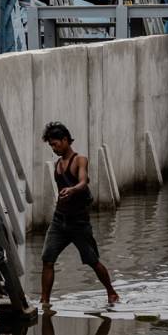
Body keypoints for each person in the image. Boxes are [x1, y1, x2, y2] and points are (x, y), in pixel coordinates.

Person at [39, 121, 119, 308]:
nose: (53, 148)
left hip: (79, 223)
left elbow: (83, 181)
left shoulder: (80, 160)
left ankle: (111, 292)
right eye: (51, 145)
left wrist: (73, 190)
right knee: (47, 259)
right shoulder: (57, 165)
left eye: (55, 144)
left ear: (65, 140)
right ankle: (44, 301)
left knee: (92, 260)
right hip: (59, 221)